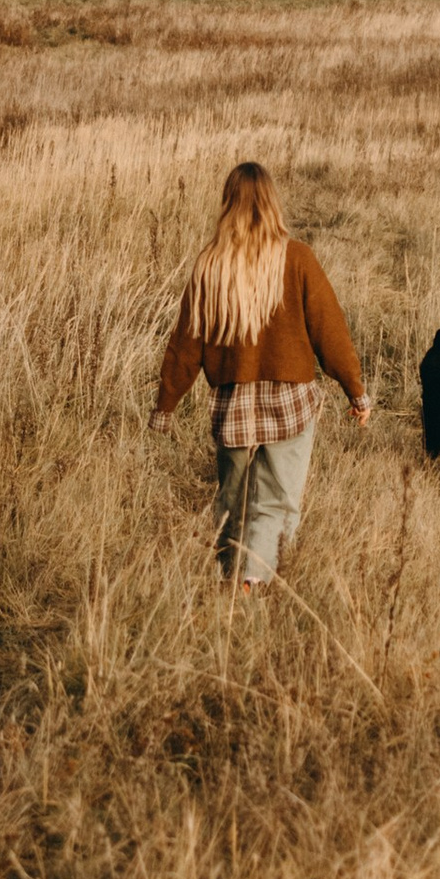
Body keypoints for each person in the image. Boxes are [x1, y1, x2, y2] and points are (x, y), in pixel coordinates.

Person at [153, 161, 368, 589]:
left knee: (231, 501)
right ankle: (254, 581)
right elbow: (330, 331)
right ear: (272, 203)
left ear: (227, 204)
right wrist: (355, 391)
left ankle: (230, 579)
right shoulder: (297, 258)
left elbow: (185, 346)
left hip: (233, 405)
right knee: (276, 501)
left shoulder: (210, 266)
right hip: (289, 403)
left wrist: (165, 406)